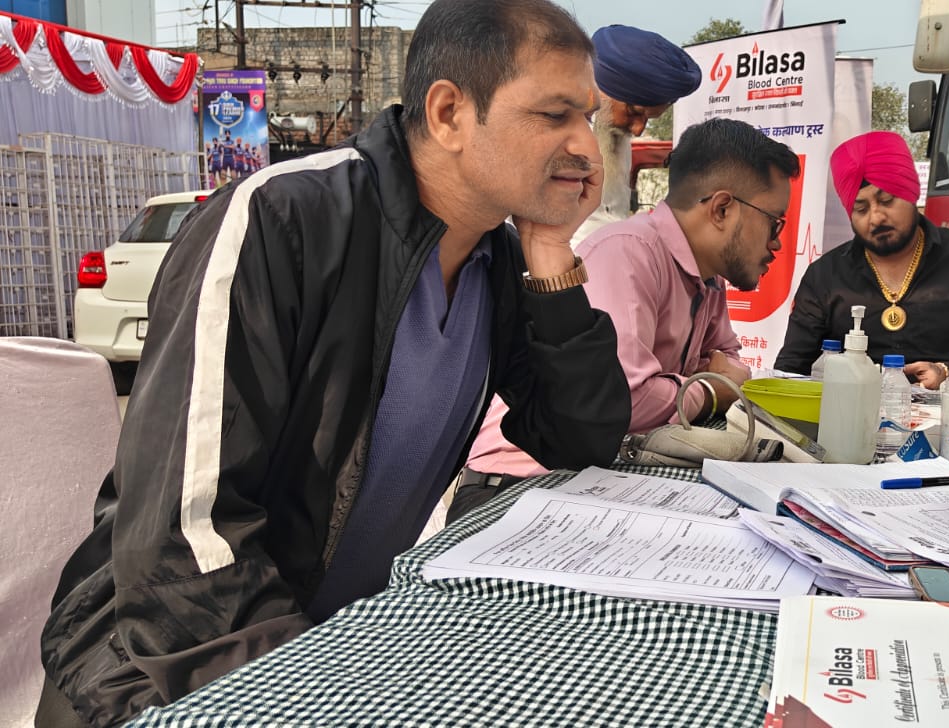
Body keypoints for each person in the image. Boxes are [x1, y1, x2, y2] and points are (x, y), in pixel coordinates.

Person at [36, 1, 631, 724]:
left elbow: (581, 439)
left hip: (323, 651)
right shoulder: (282, 221)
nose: (585, 149)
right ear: (447, 113)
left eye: (589, 119)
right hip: (157, 677)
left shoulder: (497, 261)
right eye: (555, 116)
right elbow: (182, 546)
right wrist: (321, 695)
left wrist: (550, 257)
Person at [459, 119, 799, 515]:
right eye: (775, 222)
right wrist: (707, 390)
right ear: (722, 208)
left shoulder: (708, 280)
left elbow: (731, 365)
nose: (776, 242)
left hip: (598, 477)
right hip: (517, 484)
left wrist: (696, 383)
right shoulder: (628, 252)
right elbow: (626, 402)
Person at [775, 131, 949, 387]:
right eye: (860, 209)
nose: (876, 217)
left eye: (887, 200)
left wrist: (948, 372)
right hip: (849, 415)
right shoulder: (825, 275)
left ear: (911, 192)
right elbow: (791, 368)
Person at [572, 24, 701, 244]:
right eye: (634, 112)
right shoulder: (553, 138)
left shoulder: (613, 137)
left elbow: (610, 218)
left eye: (648, 119)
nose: (638, 129)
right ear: (599, 90)